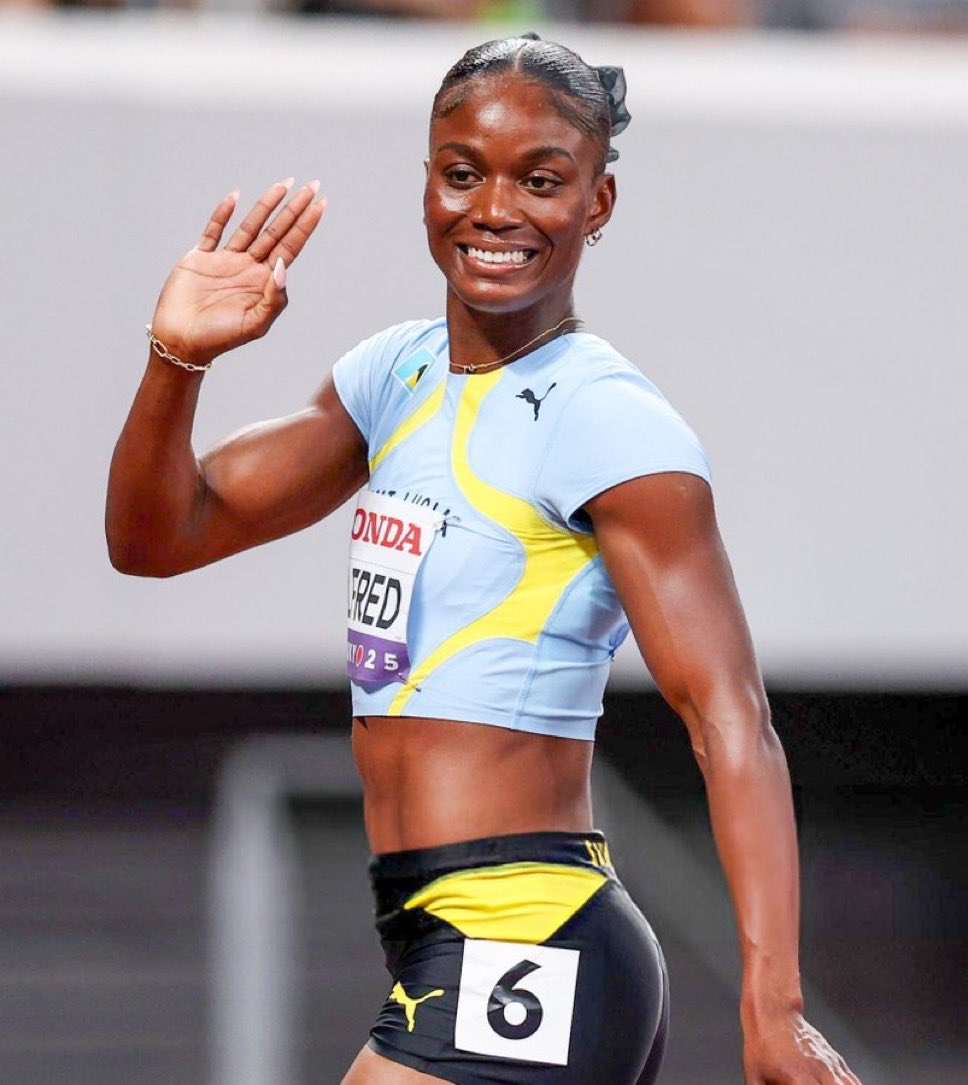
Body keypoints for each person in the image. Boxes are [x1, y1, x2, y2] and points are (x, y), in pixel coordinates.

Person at [106, 33, 861, 1085]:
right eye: (461, 173)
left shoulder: (610, 422)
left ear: (596, 204)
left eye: (539, 181)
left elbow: (729, 715)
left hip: (527, 928)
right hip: (423, 931)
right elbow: (156, 538)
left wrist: (771, 1003)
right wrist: (176, 357)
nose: (493, 209)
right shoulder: (393, 377)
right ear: (426, 184)